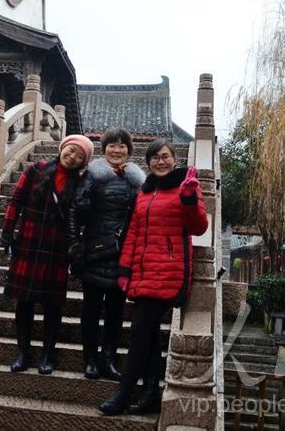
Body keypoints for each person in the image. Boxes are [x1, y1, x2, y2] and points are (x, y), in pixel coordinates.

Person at [99, 138, 208, 415]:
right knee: (149, 337)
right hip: (143, 273)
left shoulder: (185, 186)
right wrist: (125, 270)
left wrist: (189, 198)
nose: (161, 161)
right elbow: (133, 234)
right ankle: (150, 394)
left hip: (168, 273)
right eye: (155, 157)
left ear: (174, 159)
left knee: (139, 333)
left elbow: (198, 227)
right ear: (148, 162)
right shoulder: (145, 191)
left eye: (165, 156)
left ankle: (123, 394)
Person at [1, 133, 94, 375]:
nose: (72, 156)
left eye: (80, 156)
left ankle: (47, 354)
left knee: (53, 305)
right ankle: (23, 352)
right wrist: (7, 232)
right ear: (63, 148)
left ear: (83, 163)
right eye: (71, 150)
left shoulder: (81, 183)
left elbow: (82, 217)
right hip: (29, 242)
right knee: (24, 301)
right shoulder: (36, 169)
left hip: (57, 249)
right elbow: (15, 201)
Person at [67, 127, 145, 381]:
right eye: (112, 145)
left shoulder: (137, 180)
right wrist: (74, 243)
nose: (116, 150)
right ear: (104, 149)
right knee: (90, 310)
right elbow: (75, 210)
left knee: (115, 311)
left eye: (122, 146)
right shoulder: (92, 175)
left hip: (123, 254)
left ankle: (109, 359)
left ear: (129, 151)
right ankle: (90, 359)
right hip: (94, 252)